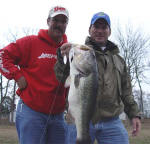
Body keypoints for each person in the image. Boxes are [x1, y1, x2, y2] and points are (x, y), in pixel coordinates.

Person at [54, 12, 141, 144]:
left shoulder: (119, 61)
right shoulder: (79, 51)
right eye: (96, 27)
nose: (100, 31)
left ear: (109, 31)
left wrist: (134, 114)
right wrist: (62, 58)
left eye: (104, 27)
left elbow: (126, 91)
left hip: (112, 121)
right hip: (80, 119)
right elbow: (61, 77)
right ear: (89, 29)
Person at [0, 6, 70, 144]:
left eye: (63, 21)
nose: (59, 24)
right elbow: (2, 55)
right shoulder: (31, 42)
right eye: (56, 20)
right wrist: (17, 75)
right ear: (48, 21)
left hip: (59, 116)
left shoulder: (68, 50)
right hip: (31, 113)